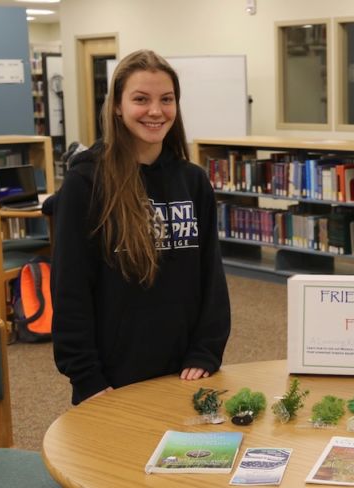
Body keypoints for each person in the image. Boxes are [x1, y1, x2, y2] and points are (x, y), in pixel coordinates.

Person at [52, 50, 231, 405]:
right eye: (140, 99)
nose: (155, 111)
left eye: (166, 100)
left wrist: (206, 351)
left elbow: (211, 275)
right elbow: (70, 286)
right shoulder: (86, 181)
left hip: (186, 372)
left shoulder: (193, 182)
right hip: (111, 381)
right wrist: (85, 376)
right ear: (117, 106)